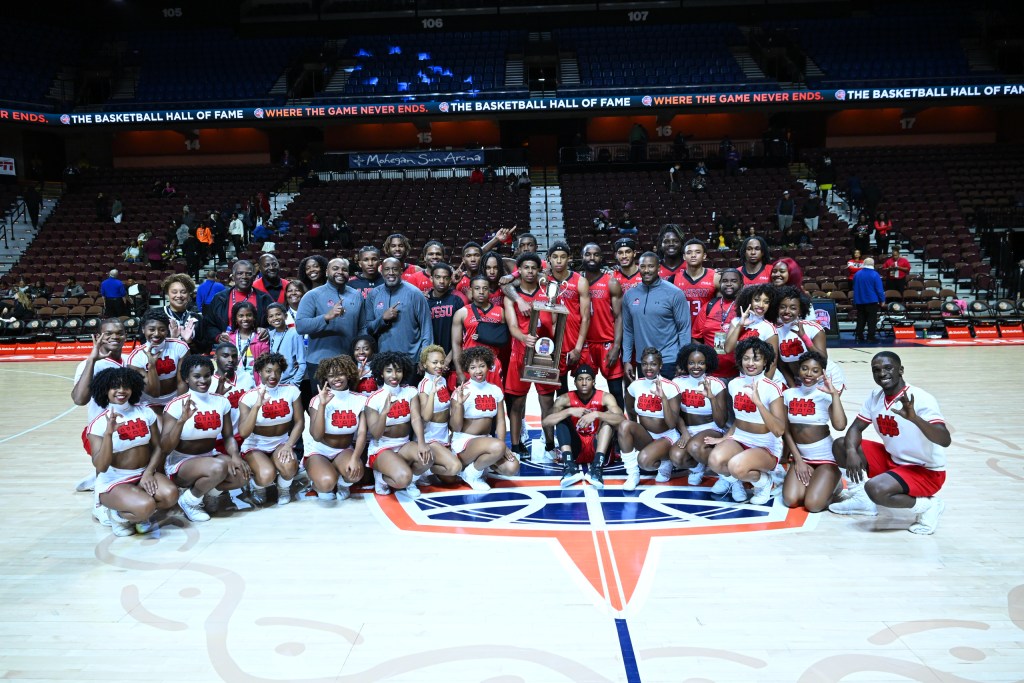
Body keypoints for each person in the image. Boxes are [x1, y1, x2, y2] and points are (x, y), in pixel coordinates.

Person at [828, 352, 950, 534]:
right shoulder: (876, 397)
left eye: (888, 368)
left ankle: (928, 506)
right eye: (876, 370)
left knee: (875, 488)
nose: (882, 373)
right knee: (842, 444)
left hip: (926, 471)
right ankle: (862, 500)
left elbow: (944, 439)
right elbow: (855, 429)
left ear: (900, 370)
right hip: (893, 461)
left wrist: (915, 418)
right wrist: (852, 451)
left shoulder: (920, 398)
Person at [87, 367, 178, 536]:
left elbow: (158, 447)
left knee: (170, 496)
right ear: (105, 390)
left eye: (126, 386)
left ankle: (136, 511)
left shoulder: (144, 412)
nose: (121, 391)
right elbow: (101, 465)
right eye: (115, 387)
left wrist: (149, 472)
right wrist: (108, 434)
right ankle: (116, 514)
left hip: (143, 473)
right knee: (146, 506)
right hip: (115, 479)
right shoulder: (98, 424)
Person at [161, 355, 251, 522]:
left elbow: (228, 436)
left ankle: (207, 493)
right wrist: (181, 421)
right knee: (218, 468)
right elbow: (165, 447)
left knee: (242, 475)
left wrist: (236, 456)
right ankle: (189, 501)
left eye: (207, 375)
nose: (203, 380)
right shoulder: (176, 405)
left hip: (209, 455)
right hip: (181, 462)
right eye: (197, 376)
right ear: (187, 378)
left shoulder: (220, 401)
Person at [706, 338, 787, 504]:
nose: (750, 363)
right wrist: (725, 438)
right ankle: (735, 483)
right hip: (740, 438)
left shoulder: (772, 387)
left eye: (756, 359)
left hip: (765, 445)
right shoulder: (734, 384)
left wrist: (759, 404)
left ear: (765, 361)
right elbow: (739, 419)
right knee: (714, 460)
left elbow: (779, 430)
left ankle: (765, 483)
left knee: (735, 467)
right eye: (746, 358)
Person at [502, 253, 558, 460]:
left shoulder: (548, 291)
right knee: (517, 404)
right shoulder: (512, 296)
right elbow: (512, 326)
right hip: (520, 353)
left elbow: (554, 321)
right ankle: (516, 446)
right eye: (526, 268)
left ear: (538, 270)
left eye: (533, 268)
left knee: (547, 403)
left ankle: (550, 444)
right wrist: (524, 338)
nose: (530, 271)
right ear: (520, 270)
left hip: (545, 354)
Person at [781, 351, 847, 513]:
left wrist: (834, 395)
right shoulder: (788, 394)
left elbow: (840, 426)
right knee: (791, 500)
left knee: (813, 505)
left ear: (822, 373)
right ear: (799, 370)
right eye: (804, 368)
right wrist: (798, 461)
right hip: (802, 458)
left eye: (815, 370)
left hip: (826, 458)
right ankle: (819, 483)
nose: (809, 373)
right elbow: (786, 431)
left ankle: (834, 485)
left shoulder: (825, 395)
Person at [448, 346, 519, 490]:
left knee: (512, 467)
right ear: (467, 369)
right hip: (465, 442)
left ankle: (480, 465)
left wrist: (502, 445)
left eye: (482, 366)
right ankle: (471, 474)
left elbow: (500, 420)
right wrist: (459, 405)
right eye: (473, 367)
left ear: (488, 366)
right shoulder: (461, 391)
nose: (478, 371)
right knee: (497, 447)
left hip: (487, 441)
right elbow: (455, 428)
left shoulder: (495, 390)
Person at [237, 352, 303, 506]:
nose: (273, 375)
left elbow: (300, 422)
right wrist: (257, 406)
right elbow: (244, 433)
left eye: (278, 371)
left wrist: (288, 445)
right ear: (259, 371)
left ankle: (283, 488)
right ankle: (257, 486)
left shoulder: (291, 391)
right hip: (255, 445)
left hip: (281, 442)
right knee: (266, 475)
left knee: (289, 466)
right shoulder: (248, 397)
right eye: (268, 371)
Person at [72, 319, 129, 498]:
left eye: (119, 333)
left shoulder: (129, 361)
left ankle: (102, 474)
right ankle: (102, 480)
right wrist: (92, 361)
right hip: (102, 431)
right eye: (108, 334)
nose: (114, 337)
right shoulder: (88, 365)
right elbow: (80, 399)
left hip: (129, 425)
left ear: (125, 337)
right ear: (98, 337)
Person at [542, 364, 624, 488]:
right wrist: (569, 411)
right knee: (560, 418)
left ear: (594, 382)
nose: (584, 383)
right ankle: (569, 466)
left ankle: (597, 466)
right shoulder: (565, 399)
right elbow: (546, 422)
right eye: (580, 379)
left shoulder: (605, 397)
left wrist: (597, 414)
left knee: (608, 417)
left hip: (598, 445)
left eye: (588, 379)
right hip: (576, 448)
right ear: (575, 382)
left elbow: (622, 419)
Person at [363, 351, 432, 498]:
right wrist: (384, 413)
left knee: (428, 458)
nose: (394, 375)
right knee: (402, 478)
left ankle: (410, 480)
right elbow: (376, 434)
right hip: (382, 448)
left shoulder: (410, 392)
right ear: (381, 373)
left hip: (404, 444)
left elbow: (415, 419)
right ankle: (381, 479)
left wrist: (421, 443)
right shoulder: (373, 399)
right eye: (389, 371)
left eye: (398, 370)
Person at [304, 355, 367, 502]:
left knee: (355, 473)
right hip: (319, 450)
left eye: (340, 374)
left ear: (348, 374)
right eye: (331, 376)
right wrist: (322, 405)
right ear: (325, 377)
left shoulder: (360, 400)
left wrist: (355, 458)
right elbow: (317, 436)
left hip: (344, 450)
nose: (336, 379)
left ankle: (342, 484)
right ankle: (317, 482)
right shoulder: (316, 400)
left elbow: (362, 433)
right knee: (326, 485)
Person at [618, 348, 682, 491]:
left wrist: (663, 398)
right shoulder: (635, 385)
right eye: (645, 364)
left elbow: (672, 424)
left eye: (653, 364)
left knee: (645, 462)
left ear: (660, 365)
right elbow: (629, 409)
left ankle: (666, 461)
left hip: (667, 436)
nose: (648, 368)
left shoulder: (671, 387)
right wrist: (635, 432)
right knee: (624, 425)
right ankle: (633, 475)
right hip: (647, 435)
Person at [622, 252, 691, 382]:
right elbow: (628, 330)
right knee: (647, 401)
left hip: (669, 360)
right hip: (643, 361)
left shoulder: (675, 293)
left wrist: (683, 360)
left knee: (670, 401)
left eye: (651, 266)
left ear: (659, 268)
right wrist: (626, 360)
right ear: (638, 268)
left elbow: (684, 329)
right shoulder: (629, 294)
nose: (646, 270)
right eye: (643, 266)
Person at [667, 342, 729, 486]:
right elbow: (675, 414)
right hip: (688, 429)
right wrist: (684, 432)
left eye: (701, 363)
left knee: (694, 446)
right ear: (685, 364)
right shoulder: (677, 382)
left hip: (711, 428)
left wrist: (712, 398)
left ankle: (729, 477)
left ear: (707, 364)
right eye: (691, 363)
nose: (696, 367)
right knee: (676, 457)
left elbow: (721, 422)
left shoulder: (717, 384)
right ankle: (698, 468)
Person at [579, 243, 625, 412]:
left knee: (615, 391)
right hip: (585, 344)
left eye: (596, 254)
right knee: (585, 390)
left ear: (601, 258)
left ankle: (619, 429)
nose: (592, 258)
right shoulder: (576, 281)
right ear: (581, 257)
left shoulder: (611, 282)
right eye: (588, 254)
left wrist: (616, 346)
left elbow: (619, 316)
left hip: (606, 343)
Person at [364, 257, 434, 365]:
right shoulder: (373, 294)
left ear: (401, 271)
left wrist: (424, 359)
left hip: (412, 360)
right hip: (383, 360)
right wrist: (383, 319)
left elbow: (426, 329)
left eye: (395, 269)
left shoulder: (415, 293)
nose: (391, 273)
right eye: (387, 269)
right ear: (381, 272)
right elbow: (368, 328)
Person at [775, 285, 846, 391]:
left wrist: (804, 338)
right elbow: (782, 365)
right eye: (782, 307)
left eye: (793, 308)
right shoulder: (775, 331)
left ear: (800, 310)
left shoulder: (813, 328)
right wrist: (793, 387)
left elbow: (823, 360)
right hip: (800, 380)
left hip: (824, 378)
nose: (787, 311)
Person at [416, 345, 464, 484]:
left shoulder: (442, 380)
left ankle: (429, 468)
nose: (439, 366)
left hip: (443, 434)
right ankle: (424, 470)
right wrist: (432, 392)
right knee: (455, 467)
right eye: (434, 362)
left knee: (452, 478)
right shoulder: (424, 385)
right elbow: (426, 416)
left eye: (442, 362)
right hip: (430, 437)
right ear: (425, 364)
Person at [127, 308, 191, 412]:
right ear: (143, 329)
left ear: (168, 329)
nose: (156, 334)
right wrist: (152, 366)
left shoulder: (180, 347)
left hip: (175, 398)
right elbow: (154, 392)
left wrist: (180, 406)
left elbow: (182, 382)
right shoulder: (135, 358)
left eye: (162, 329)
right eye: (151, 329)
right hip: (148, 402)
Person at [452, 275, 507, 387]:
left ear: (489, 290)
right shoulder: (462, 313)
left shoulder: (500, 312)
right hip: (470, 365)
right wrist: (459, 371)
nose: (481, 292)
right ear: (471, 290)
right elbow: (456, 344)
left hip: (492, 365)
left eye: (485, 288)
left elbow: (503, 339)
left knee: (494, 400)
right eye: (477, 288)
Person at [203, 260, 273, 345]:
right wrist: (218, 336)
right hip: (227, 346)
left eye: (248, 273)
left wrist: (267, 331)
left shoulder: (264, 299)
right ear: (233, 277)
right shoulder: (219, 298)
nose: (244, 276)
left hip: (256, 346)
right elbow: (209, 324)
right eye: (240, 273)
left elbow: (274, 323)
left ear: (254, 277)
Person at [692, 268, 743, 380]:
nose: (729, 284)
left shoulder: (746, 308)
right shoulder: (709, 306)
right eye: (724, 281)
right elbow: (696, 337)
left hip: (739, 374)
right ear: (719, 283)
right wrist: (704, 359)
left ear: (741, 284)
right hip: (710, 374)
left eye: (734, 281)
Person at [723, 283, 781, 380]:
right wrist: (740, 325)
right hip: (745, 377)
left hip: (766, 378)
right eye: (757, 300)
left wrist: (764, 386)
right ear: (749, 300)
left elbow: (773, 364)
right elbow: (728, 349)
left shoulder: (769, 328)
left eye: (766, 302)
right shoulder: (736, 322)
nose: (761, 305)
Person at [425, 262, 464, 373]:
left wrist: (448, 359)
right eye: (438, 277)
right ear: (431, 278)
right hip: (430, 359)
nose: (441, 281)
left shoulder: (457, 300)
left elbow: (462, 335)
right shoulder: (424, 301)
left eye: (445, 278)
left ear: (450, 279)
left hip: (452, 358)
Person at [676, 239, 720, 327]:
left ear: (704, 256)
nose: (693, 255)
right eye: (689, 252)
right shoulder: (675, 278)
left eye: (697, 252)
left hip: (706, 327)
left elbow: (721, 306)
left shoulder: (715, 277)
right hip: (682, 327)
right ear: (684, 256)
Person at [228, 301, 269, 388]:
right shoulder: (229, 338)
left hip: (255, 385)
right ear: (235, 318)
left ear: (254, 317)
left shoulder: (260, 338)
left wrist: (262, 386)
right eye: (241, 316)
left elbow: (264, 365)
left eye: (249, 315)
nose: (245, 318)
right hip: (233, 385)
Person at [266, 303, 305, 387]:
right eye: (271, 316)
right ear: (268, 320)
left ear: (286, 316)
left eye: (278, 314)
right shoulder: (269, 334)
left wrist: (294, 383)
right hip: (274, 382)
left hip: (289, 383)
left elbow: (302, 363)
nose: (275, 318)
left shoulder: (295, 333)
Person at [852, 257, 885, 344]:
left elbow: (854, 287)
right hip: (871, 300)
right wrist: (882, 300)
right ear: (872, 264)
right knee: (871, 319)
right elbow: (879, 290)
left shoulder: (857, 274)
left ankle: (859, 336)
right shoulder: (875, 274)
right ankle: (870, 337)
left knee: (861, 319)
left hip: (859, 300)